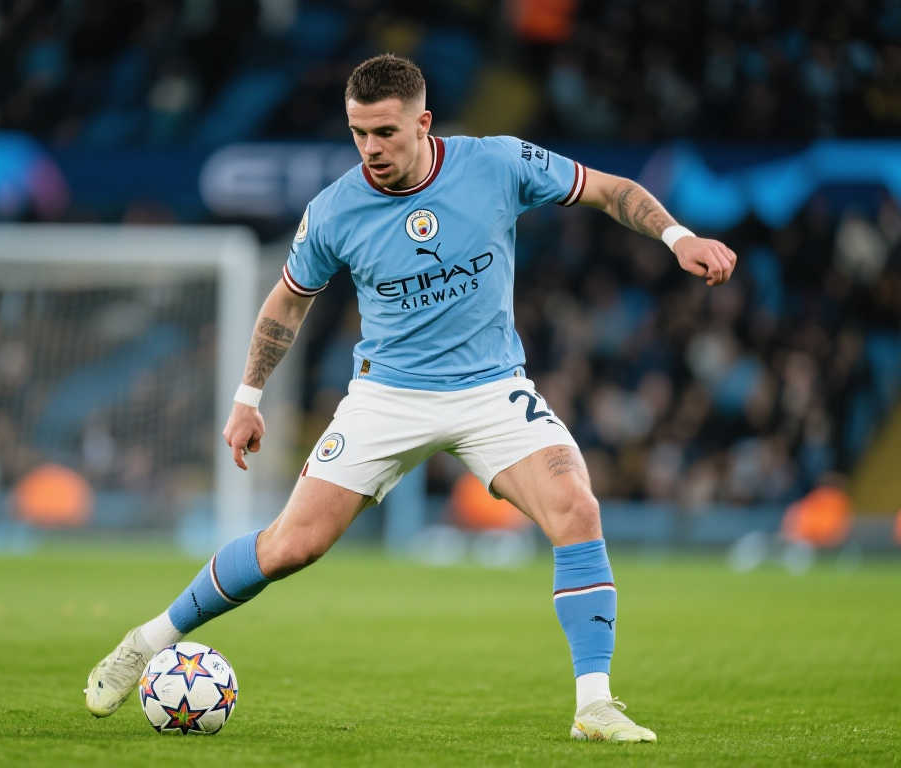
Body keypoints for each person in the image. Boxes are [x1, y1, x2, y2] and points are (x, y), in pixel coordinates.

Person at [86, 54, 736, 742]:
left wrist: (679, 237)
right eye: (359, 133)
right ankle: (146, 641)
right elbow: (288, 302)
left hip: (492, 389)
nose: (371, 148)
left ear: (423, 123)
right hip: (388, 398)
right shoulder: (335, 209)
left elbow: (608, 188)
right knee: (290, 547)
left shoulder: (496, 163)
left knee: (576, 505)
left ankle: (594, 705)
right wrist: (248, 396)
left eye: (386, 132)